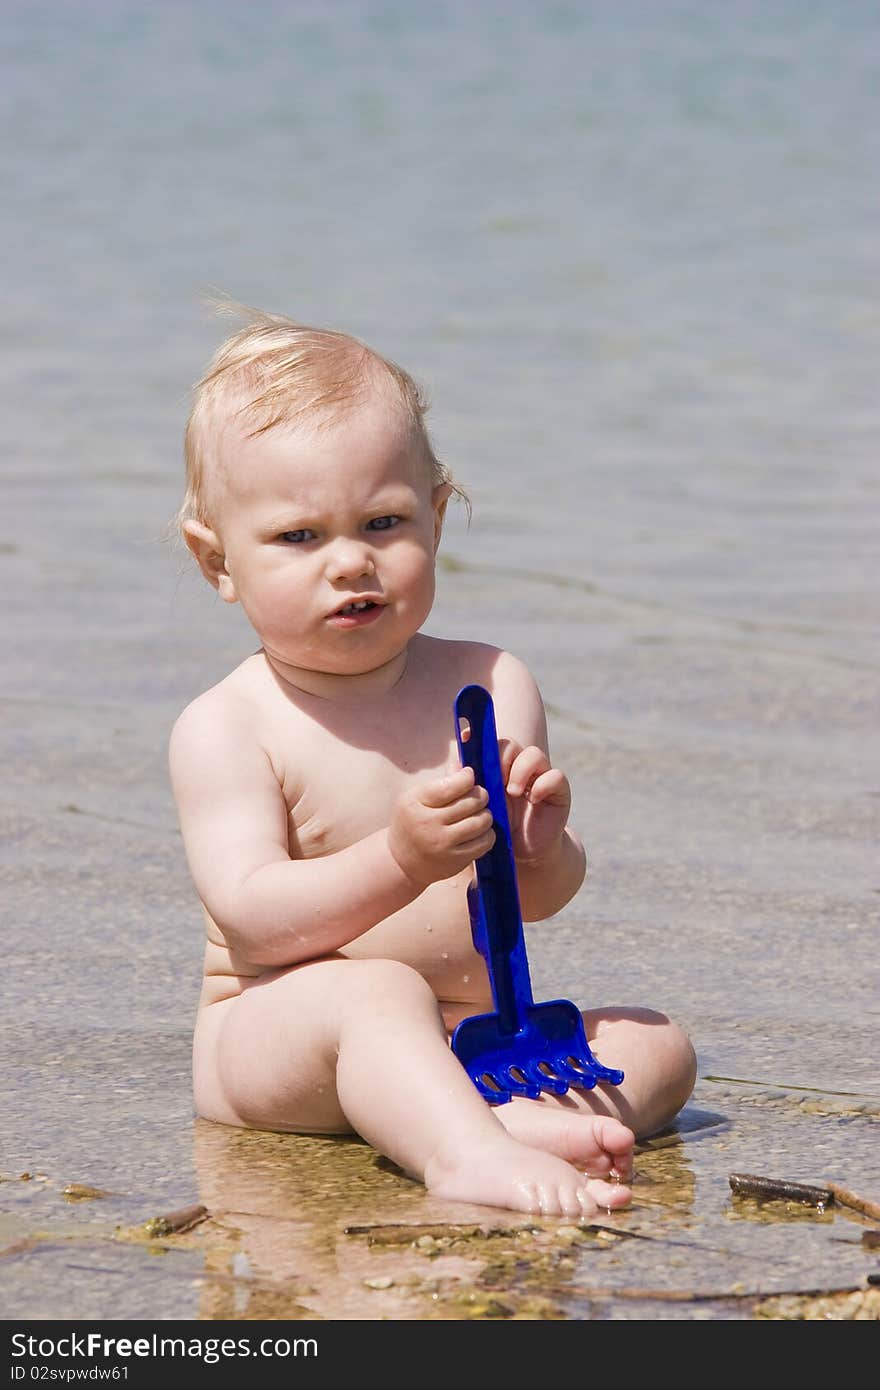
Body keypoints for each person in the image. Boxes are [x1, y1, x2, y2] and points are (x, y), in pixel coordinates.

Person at [169, 307, 697, 1219]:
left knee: (661, 1044)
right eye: (300, 537)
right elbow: (254, 922)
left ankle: (500, 1119)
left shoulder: (489, 683)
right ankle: (465, 1154)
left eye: (384, 522)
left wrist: (541, 848)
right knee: (377, 990)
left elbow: (522, 908)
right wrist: (400, 859)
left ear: (438, 518)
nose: (351, 563)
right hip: (282, 1039)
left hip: (469, 1036)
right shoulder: (229, 724)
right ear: (217, 561)